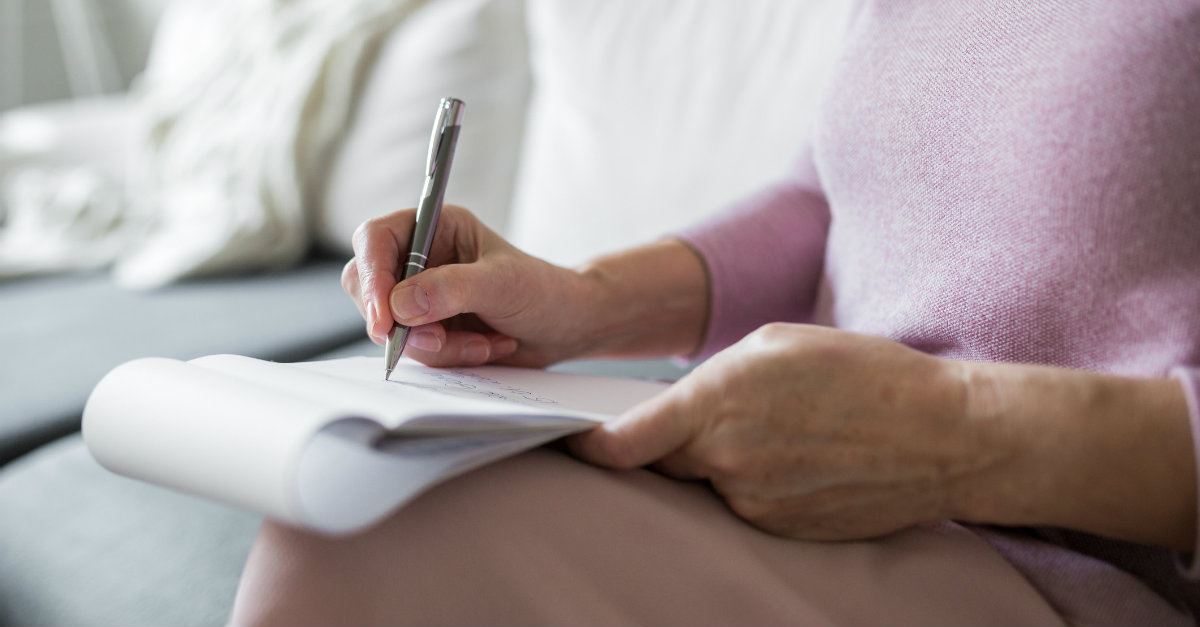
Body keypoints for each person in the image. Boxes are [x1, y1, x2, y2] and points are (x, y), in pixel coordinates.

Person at [231, 1, 1200, 625]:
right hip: (823, 510)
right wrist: (587, 302)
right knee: (352, 502)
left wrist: (956, 434)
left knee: (388, 534)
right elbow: (832, 196)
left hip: (1068, 579)